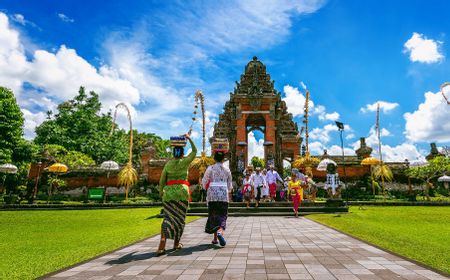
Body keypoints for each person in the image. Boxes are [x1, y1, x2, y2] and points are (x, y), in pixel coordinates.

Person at [157, 134, 197, 255]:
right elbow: (195, 151)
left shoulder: (168, 164)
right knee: (180, 219)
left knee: (167, 218)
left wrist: (161, 193)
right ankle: (175, 243)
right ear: (182, 153)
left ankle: (162, 244)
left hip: (168, 194)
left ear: (173, 152)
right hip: (182, 193)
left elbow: (162, 181)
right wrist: (189, 138)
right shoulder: (185, 161)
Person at [202, 138, 232, 246]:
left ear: (214, 157)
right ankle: (220, 233)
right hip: (223, 195)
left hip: (212, 195)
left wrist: (205, 188)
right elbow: (230, 185)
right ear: (224, 158)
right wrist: (228, 192)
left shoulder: (210, 168)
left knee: (213, 215)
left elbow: (204, 181)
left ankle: (215, 238)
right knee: (222, 215)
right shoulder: (227, 169)